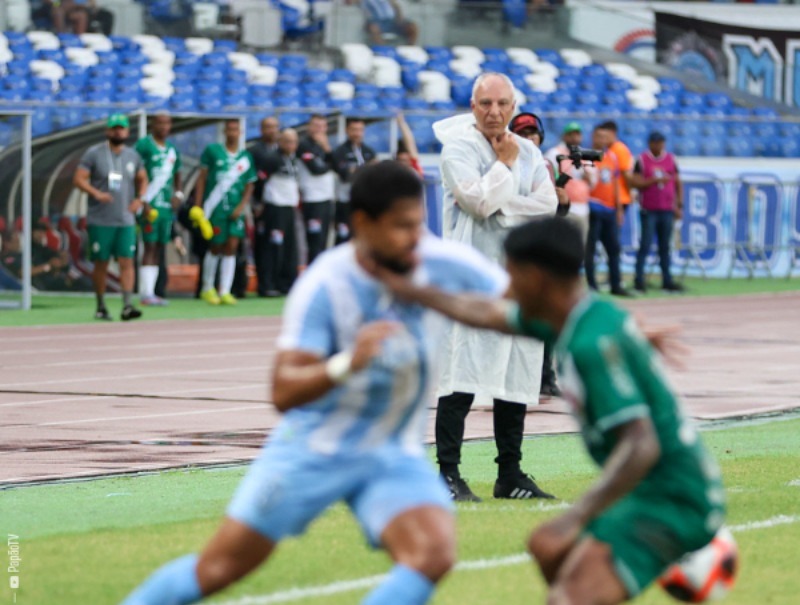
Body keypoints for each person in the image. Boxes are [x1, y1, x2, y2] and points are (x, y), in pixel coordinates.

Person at [119, 160, 513, 605]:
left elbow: (518, 309)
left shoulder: (438, 263)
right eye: (402, 227)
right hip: (313, 449)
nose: (415, 239)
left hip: (389, 452)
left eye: (419, 225)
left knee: (432, 554)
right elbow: (283, 391)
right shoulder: (326, 284)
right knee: (219, 568)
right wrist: (348, 362)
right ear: (362, 223)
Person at [376, 217, 725, 605]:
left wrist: (575, 517)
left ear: (538, 278)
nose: (505, 288)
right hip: (648, 492)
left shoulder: (590, 344)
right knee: (550, 553)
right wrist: (412, 292)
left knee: (566, 594)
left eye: (511, 275)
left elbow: (642, 445)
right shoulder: (576, 319)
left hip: (673, 499)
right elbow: (485, 313)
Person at [433, 72, 563, 502]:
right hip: (471, 281)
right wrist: (504, 168)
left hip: (520, 280)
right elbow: (476, 202)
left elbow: (549, 204)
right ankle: (447, 473)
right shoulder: (457, 150)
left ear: (513, 106)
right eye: (486, 103)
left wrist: (502, 208)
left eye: (502, 104)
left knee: (516, 375)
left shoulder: (529, 151)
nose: (494, 112)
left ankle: (510, 474)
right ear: (473, 106)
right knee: (461, 375)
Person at [508, 111, 569, 399]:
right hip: (515, 249)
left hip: (541, 249)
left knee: (546, 317)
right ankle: (515, 377)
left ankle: (546, 375)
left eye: (532, 133)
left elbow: (553, 213)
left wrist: (563, 205)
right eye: (522, 133)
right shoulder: (505, 162)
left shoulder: (544, 164)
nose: (529, 138)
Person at [73, 113, 148, 321]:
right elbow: (79, 178)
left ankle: (127, 305)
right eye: (114, 128)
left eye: (121, 128)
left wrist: (140, 199)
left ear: (127, 131)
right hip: (101, 219)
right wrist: (95, 193)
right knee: (101, 263)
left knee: (127, 261)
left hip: (125, 219)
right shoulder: (94, 153)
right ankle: (101, 305)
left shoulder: (133, 156)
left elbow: (143, 179)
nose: (118, 131)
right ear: (108, 131)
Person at [195, 119, 256, 306]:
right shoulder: (213, 151)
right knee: (215, 245)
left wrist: (242, 207)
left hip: (235, 210)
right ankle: (207, 287)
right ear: (224, 132)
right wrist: (198, 206)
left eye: (236, 130)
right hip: (216, 208)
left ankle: (225, 290)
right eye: (229, 129)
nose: (232, 133)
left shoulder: (245, 157)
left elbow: (249, 185)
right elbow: (202, 178)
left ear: (241, 132)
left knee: (232, 247)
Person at [134, 113, 183, 306]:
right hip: (149, 205)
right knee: (149, 246)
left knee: (160, 247)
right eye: (160, 123)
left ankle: (153, 291)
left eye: (167, 123)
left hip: (165, 207)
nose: (163, 126)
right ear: (152, 125)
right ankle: (146, 293)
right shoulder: (144, 145)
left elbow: (178, 174)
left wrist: (178, 195)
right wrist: (142, 199)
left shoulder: (172, 150)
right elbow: (134, 172)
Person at [632, 132, 684, 294]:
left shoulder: (671, 159)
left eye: (660, 142)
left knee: (664, 247)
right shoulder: (641, 160)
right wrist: (652, 181)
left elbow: (677, 182)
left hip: (667, 209)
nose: (658, 145)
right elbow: (636, 182)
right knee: (645, 245)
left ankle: (667, 280)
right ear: (649, 143)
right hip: (649, 209)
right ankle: (639, 280)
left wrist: (679, 204)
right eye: (655, 142)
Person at [585, 125, 631, 297]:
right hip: (593, 206)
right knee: (590, 248)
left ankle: (615, 284)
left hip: (610, 209)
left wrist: (619, 208)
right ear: (593, 138)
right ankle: (592, 285)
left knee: (613, 248)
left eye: (604, 137)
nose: (601, 140)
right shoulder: (586, 157)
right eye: (598, 137)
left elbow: (615, 184)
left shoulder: (612, 156)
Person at [260, 128, 302, 297]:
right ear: (281, 142)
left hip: (289, 207)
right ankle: (268, 284)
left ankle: (286, 283)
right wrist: (259, 204)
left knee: (289, 247)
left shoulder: (293, 159)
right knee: (273, 246)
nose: (292, 145)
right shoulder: (272, 159)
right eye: (289, 141)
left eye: (294, 142)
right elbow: (260, 181)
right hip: (275, 207)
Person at [544, 121, 594, 243]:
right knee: (561, 244)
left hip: (582, 208)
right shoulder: (555, 153)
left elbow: (592, 181)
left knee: (580, 246)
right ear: (564, 136)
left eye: (577, 134)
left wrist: (587, 175)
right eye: (571, 134)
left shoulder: (584, 154)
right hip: (563, 207)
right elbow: (548, 176)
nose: (574, 138)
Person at [297, 114, 336, 265]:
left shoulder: (324, 146)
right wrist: (329, 159)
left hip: (326, 197)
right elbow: (316, 169)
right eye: (316, 125)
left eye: (322, 126)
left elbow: (336, 165)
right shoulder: (304, 145)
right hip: (312, 198)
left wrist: (327, 151)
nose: (319, 130)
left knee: (324, 240)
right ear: (309, 127)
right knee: (314, 240)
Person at [332, 118, 378, 245]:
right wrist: (367, 168)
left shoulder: (369, 151)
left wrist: (356, 169)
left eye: (360, 130)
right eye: (354, 130)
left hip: (364, 202)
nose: (357, 133)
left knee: (363, 238)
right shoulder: (339, 151)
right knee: (343, 238)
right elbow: (345, 175)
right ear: (347, 130)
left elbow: (375, 176)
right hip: (345, 202)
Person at [250, 117, 281, 297]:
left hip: (280, 204)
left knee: (278, 244)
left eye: (275, 127)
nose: (272, 130)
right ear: (261, 129)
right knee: (263, 245)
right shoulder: (255, 151)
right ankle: (264, 284)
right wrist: (255, 202)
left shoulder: (281, 149)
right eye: (268, 127)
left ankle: (277, 282)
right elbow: (252, 179)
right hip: (261, 205)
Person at [598, 121, 635, 224]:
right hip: (610, 198)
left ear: (613, 132)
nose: (603, 138)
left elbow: (626, 173)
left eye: (606, 134)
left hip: (620, 197)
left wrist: (630, 191)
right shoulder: (608, 149)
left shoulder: (619, 149)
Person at [348, 0, 418, 45]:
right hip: (376, 22)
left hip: (392, 21)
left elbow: (396, 6)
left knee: (412, 27)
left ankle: (410, 48)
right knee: (374, 28)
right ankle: (383, 50)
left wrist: (399, 19)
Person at [396, 112, 424, 178]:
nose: (403, 163)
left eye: (405, 160)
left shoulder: (414, 167)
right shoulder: (394, 172)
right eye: (401, 160)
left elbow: (410, 142)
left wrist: (402, 123)